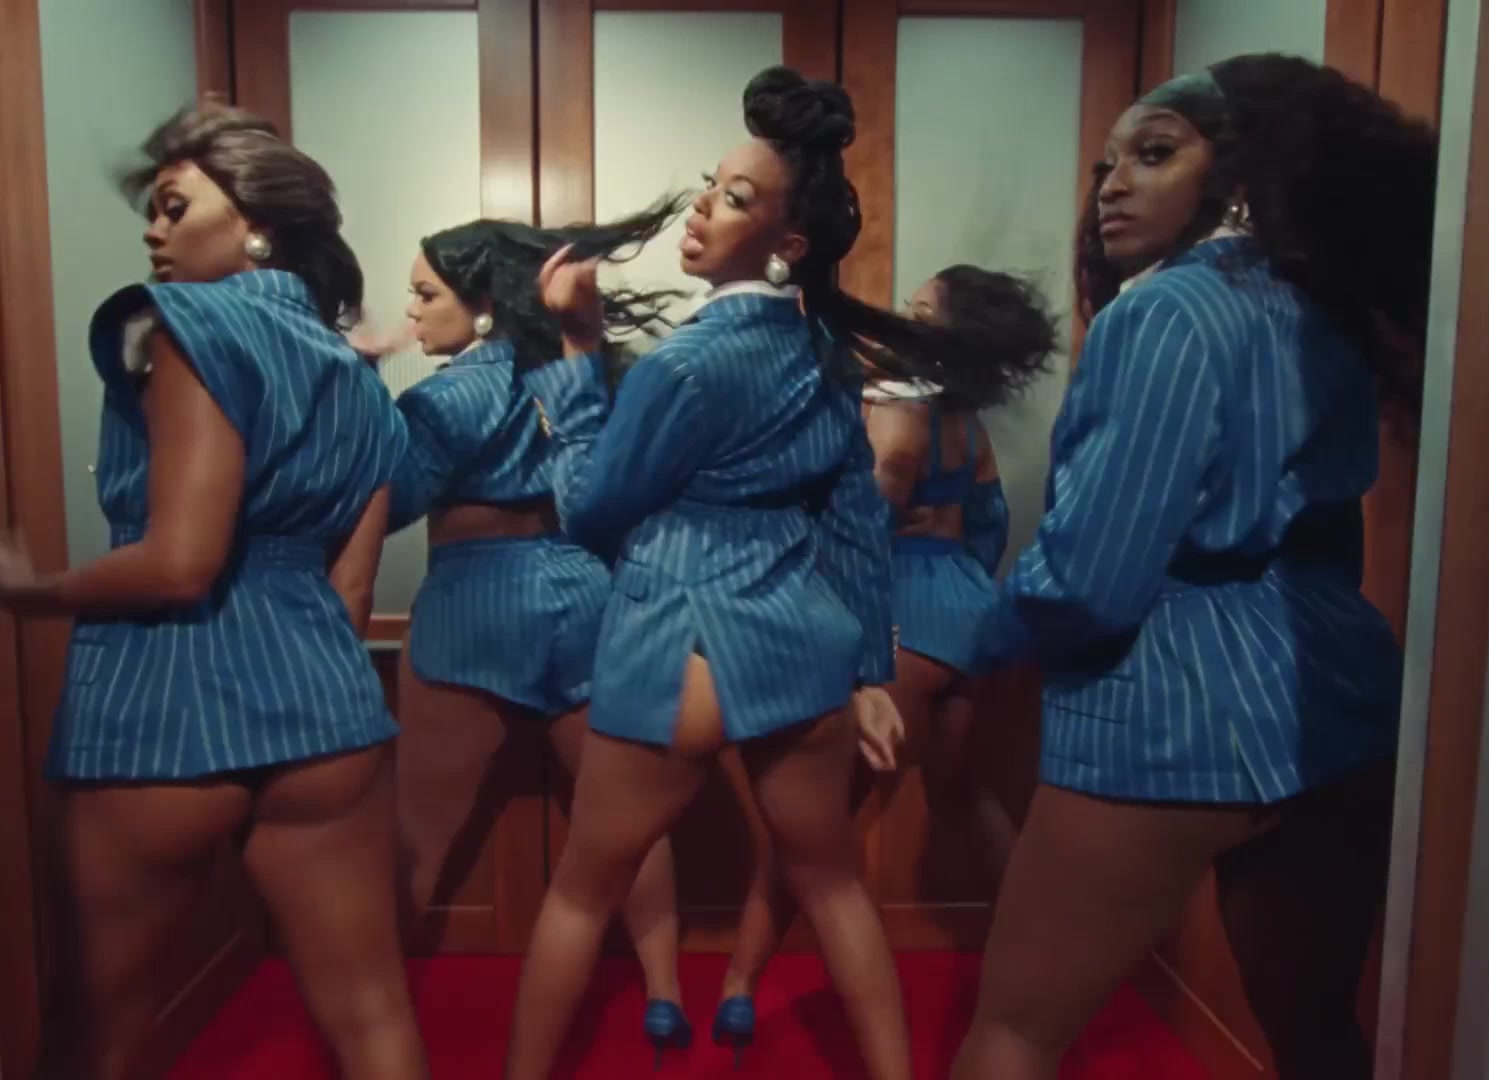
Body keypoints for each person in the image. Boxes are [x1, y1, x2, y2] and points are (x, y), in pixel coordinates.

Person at [503, 66, 1014, 1080]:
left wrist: (574, 353)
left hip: (675, 632)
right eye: (710, 184)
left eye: (734, 197)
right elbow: (855, 514)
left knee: (581, 892)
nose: (701, 207)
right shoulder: (827, 356)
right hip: (799, 639)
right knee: (834, 888)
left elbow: (593, 508)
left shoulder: (682, 364)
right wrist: (868, 670)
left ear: (788, 244)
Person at [950, 54, 1435, 1080]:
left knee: (1016, 1033)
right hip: (1336, 697)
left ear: (1240, 173)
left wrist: (985, 636)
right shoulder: (1316, 307)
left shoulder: (1164, 312)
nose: (1114, 185)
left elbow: (1094, 577)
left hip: (1163, 708)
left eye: (1155, 153)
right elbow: (1330, 534)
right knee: (1316, 1033)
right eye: (1107, 165)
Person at [0, 104, 426, 1080]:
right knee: (373, 1014)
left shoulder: (192, 326)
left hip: (165, 698)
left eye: (174, 207)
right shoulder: (359, 378)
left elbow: (182, 563)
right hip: (324, 705)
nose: (153, 231)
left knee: (101, 1033)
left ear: (257, 224)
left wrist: (35, 589)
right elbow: (351, 591)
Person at [386, 203, 698, 1061]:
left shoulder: (443, 398)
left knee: (419, 830)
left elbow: (392, 502)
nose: (412, 310)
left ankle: (378, 1002)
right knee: (622, 818)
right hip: (583, 592)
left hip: (474, 608)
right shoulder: (586, 375)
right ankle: (665, 992)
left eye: (425, 294)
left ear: (482, 305)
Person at [718, 265, 1057, 1025]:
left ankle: (739, 987)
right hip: (975, 618)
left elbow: (866, 523)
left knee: (812, 824)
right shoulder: (968, 423)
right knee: (970, 797)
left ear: (943, 329)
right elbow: (990, 528)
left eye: (918, 307)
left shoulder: (898, 411)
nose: (901, 314)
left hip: (905, 615)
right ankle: (1038, 968)